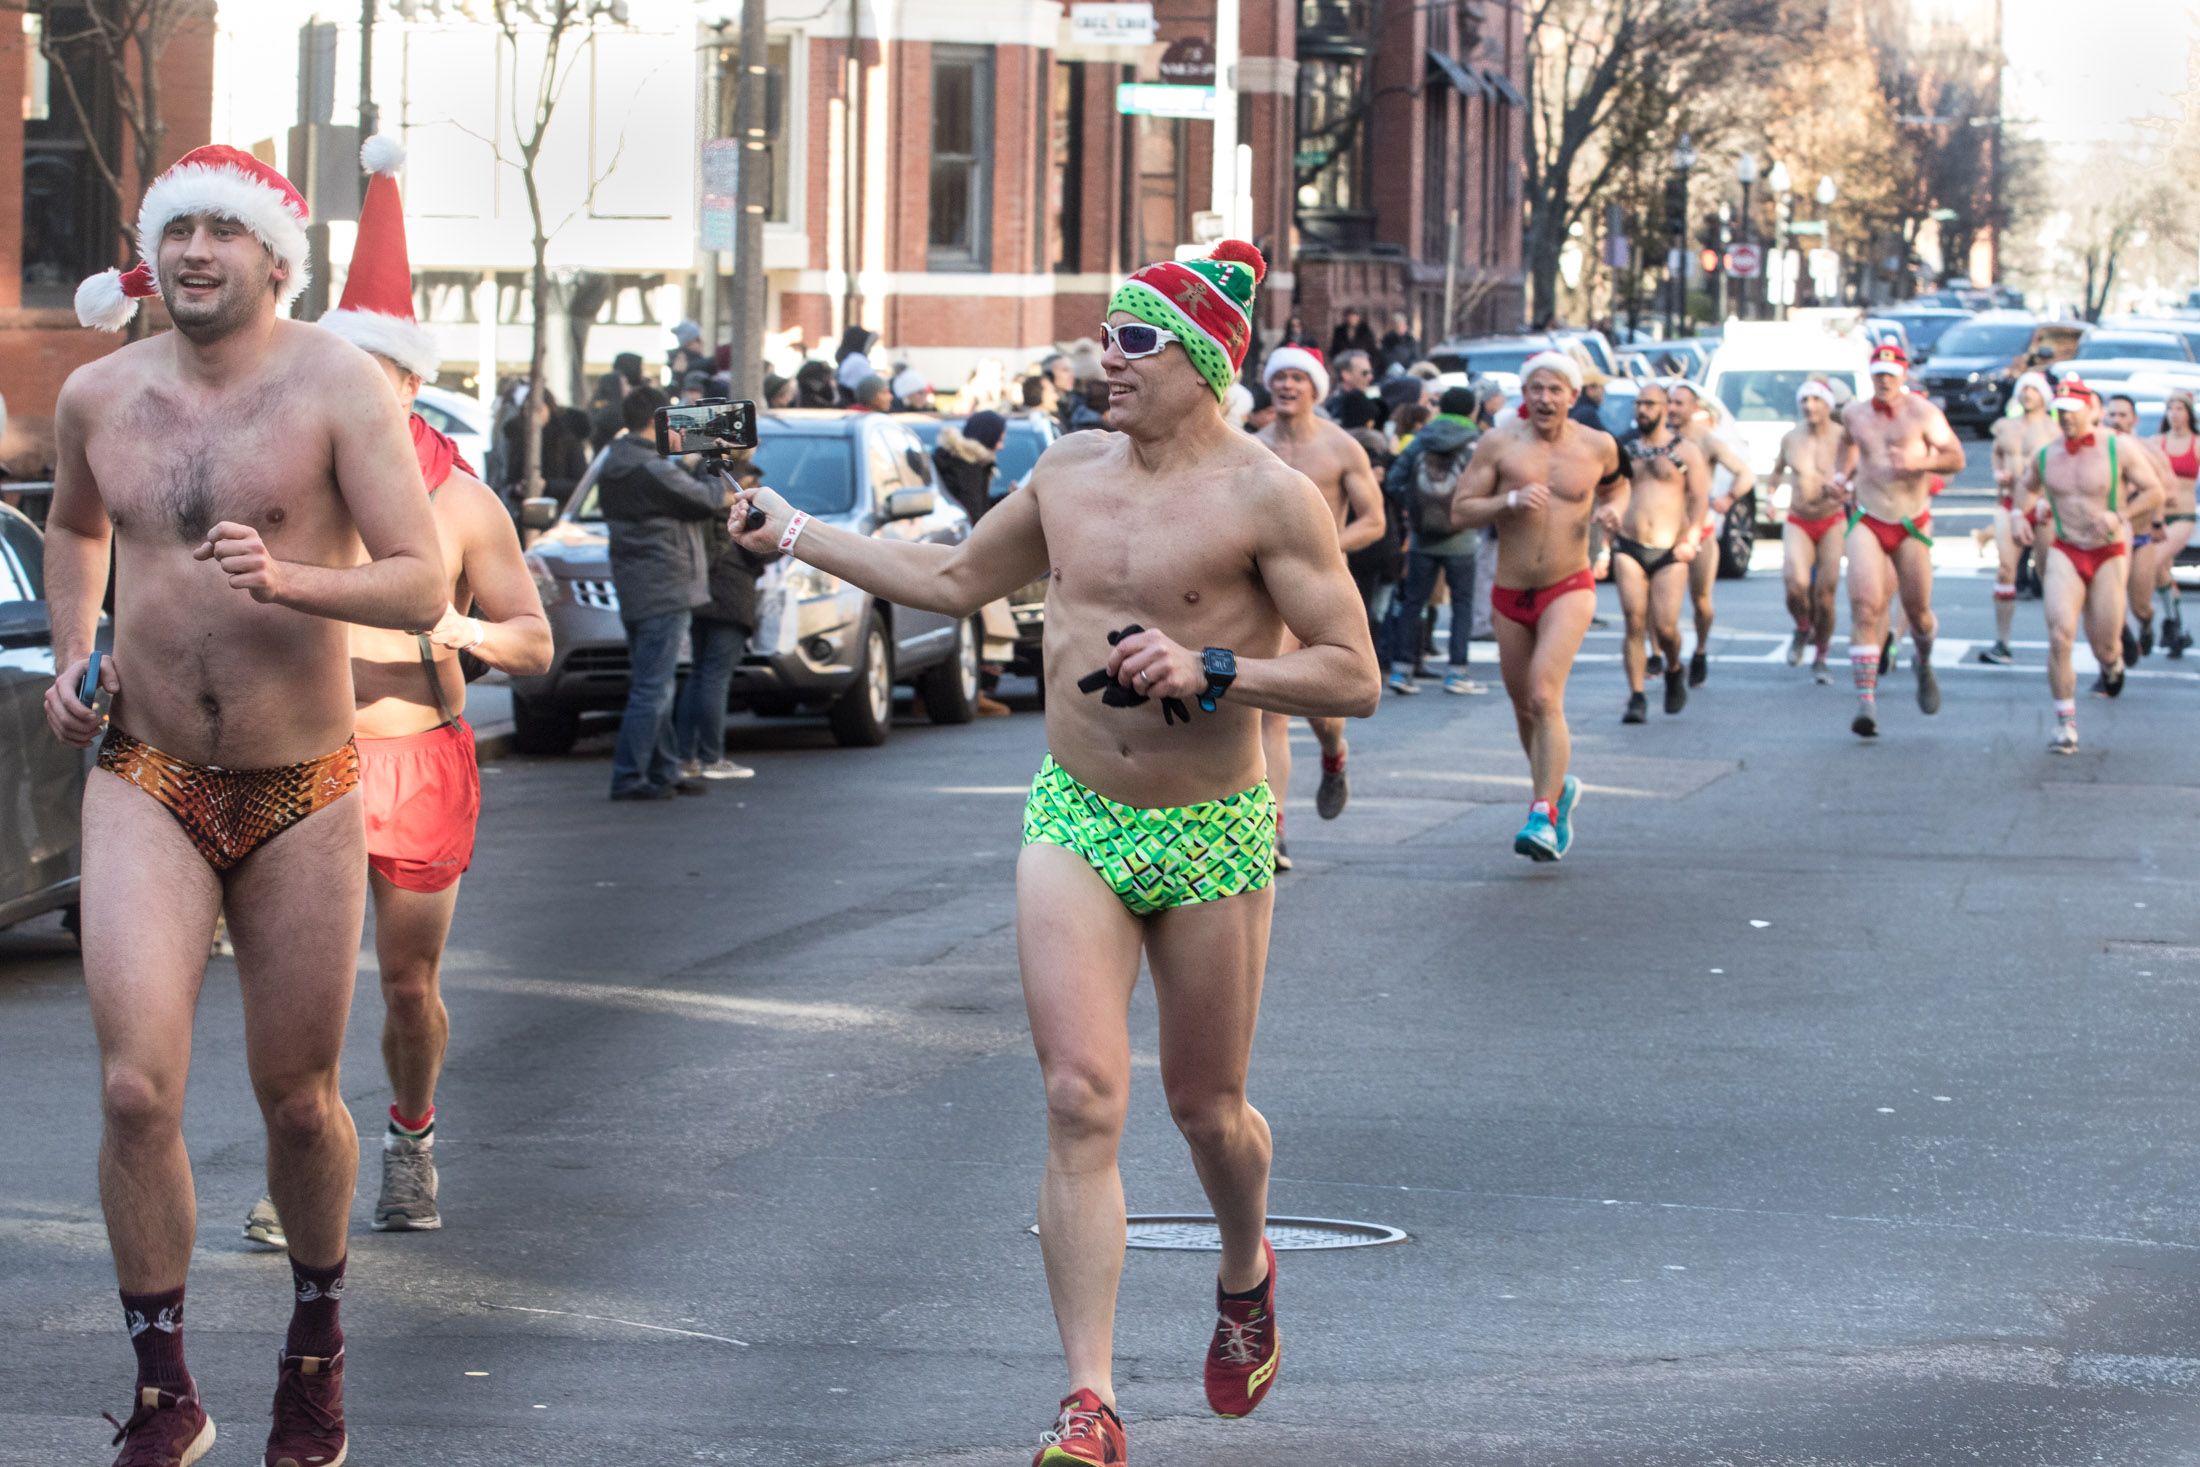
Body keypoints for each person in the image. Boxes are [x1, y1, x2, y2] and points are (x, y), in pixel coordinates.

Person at [723, 239, 1380, 1465]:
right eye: (1103, 336)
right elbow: (954, 577)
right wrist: (796, 529)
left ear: (1200, 363)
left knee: (1207, 1108)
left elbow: (1355, 677)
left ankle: (1245, 1268)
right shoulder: (1067, 471)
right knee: (1082, 1098)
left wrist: (1214, 666)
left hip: (1210, 828)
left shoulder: (1267, 496)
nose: (1102, 361)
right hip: (1075, 812)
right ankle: (1090, 1399)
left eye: (1131, 341)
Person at [49, 143, 447, 1467]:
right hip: (147, 771)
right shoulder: (99, 391)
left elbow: (417, 581)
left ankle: (315, 1355)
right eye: (178, 230)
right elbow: (74, 526)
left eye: (226, 230)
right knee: (129, 1086)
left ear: (276, 254)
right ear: (152, 250)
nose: (197, 251)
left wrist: (288, 580)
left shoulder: (337, 385)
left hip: (305, 783)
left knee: (296, 1098)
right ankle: (167, 1390)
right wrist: (69, 648)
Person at [237, 134, 553, 1250]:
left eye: (370, 378)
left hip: (424, 759)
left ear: (411, 383)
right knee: (306, 988)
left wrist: (454, 622)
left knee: (408, 990)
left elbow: (534, 645)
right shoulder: (298, 486)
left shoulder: (466, 508)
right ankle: (303, 1165)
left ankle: (412, 1135)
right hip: (315, 755)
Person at [1449, 351, 1626, 859]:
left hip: (1569, 585)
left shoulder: (1599, 446)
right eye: (1536, 389)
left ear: (1573, 396)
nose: (1545, 398)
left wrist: (1614, 511)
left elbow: (1620, 485)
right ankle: (1556, 790)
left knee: (1545, 695)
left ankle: (1543, 815)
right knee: (1524, 706)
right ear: (1524, 395)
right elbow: (1460, 510)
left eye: (1555, 390)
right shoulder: (1499, 443)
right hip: (1510, 594)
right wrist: (1508, 501)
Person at [1258, 342, 1385, 845]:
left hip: (1326, 591)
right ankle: (1272, 831)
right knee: (1272, 706)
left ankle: (1334, 753)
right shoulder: (1252, 446)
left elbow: (1374, 521)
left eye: (1298, 378)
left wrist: (1325, 547)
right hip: (1269, 595)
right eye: (1280, 377)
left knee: (1322, 711)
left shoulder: (1340, 447)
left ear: (1316, 388)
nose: (1287, 386)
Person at [2012, 378, 2165, 752]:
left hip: (2108, 550)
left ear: (2089, 410)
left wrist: (2120, 515)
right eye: (2059, 412)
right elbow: (2026, 486)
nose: (2064, 419)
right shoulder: (2047, 454)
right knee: (2060, 634)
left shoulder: (2118, 447)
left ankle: (2112, 665)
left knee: (2105, 646)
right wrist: (2020, 514)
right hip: (2067, 547)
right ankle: (2066, 725)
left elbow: (2155, 491)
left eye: (2071, 411)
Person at [597, 385, 729, 799]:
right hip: (666, 582)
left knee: (654, 682)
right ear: (658, 419)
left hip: (636, 583)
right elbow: (708, 500)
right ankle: (631, 776)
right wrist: (706, 462)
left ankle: (663, 771)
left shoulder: (614, 461)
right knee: (654, 687)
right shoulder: (652, 468)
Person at [1830, 343, 1966, 738]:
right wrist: (1840, 478)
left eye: (1891, 374)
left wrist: (1920, 463)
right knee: (1865, 605)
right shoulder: (1855, 413)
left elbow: (1956, 458)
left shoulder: (1924, 414)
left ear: (1904, 375)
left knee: (1918, 610)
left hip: (1911, 520)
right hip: (1867, 516)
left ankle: (1922, 662)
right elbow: (1847, 445)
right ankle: (1866, 702)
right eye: (1877, 374)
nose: (1884, 381)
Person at [1610, 380, 1709, 722]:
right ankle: (1636, 696)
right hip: (1629, 545)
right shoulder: (1624, 448)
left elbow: (1699, 498)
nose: (1642, 410)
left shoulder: (1685, 451)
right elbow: (1607, 491)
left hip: (1670, 550)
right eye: (1639, 403)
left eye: (1650, 404)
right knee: (1634, 621)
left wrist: (1691, 537)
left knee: (1666, 628)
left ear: (1665, 408)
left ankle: (1674, 668)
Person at [1381, 385, 1487, 696]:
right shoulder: (1476, 442)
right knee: (1463, 604)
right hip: (1463, 536)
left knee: (1413, 602)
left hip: (1421, 537)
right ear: (1472, 411)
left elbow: (1395, 478)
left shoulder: (1423, 437)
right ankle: (1457, 673)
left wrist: (1413, 510)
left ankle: (1402, 671)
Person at [675, 454, 767, 781]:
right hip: (731, 587)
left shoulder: (696, 481)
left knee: (700, 672)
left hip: (699, 585)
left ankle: (685, 757)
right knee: (715, 675)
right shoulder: (741, 485)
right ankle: (712, 757)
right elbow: (761, 542)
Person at [1666, 380, 1755, 686]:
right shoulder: (1656, 438)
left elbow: (1745, 473)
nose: (1673, 408)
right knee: (1660, 606)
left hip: (1700, 531)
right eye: (1670, 402)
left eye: (1680, 403)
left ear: (1694, 408)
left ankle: (1700, 651)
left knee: (1700, 601)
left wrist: (1728, 498)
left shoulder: (1707, 441)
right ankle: (1664, 658)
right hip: (1662, 534)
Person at [1771, 380, 1848, 682]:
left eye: (1816, 400)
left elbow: (1857, 473)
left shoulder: (1844, 437)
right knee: (1795, 583)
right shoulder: (1791, 438)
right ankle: (1803, 627)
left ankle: (1822, 656)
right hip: (1799, 518)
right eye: (1805, 400)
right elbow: (1776, 472)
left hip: (1832, 519)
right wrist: (1769, 498)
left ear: (1828, 404)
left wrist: (1847, 489)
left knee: (1825, 594)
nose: (1810, 406)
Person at [1981, 371, 2057, 664]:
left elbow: (2060, 466)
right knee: (2005, 570)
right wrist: (1998, 473)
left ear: (2043, 395)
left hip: (2041, 504)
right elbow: (1997, 453)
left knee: (2049, 574)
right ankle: (2002, 642)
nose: (2028, 395)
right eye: (2024, 389)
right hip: (2009, 500)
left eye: (2034, 390)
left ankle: (2057, 639)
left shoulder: (2054, 429)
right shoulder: (2005, 426)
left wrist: (2048, 500)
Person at [2145, 391, 2199, 658]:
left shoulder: (2196, 443)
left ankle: (2171, 624)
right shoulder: (2157, 441)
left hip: (2184, 516)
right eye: (2170, 408)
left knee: (2154, 562)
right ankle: (2177, 627)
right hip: (2158, 515)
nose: (2175, 414)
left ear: (2189, 412)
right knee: (2161, 572)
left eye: (2180, 408)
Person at [934, 409, 1005, 522]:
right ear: (988, 437)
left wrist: (1008, 497)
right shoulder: (967, 468)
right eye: (999, 440)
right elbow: (976, 515)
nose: (1001, 446)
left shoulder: (967, 462)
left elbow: (981, 506)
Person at [1321, 348, 1374, 422]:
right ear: (1346, 375)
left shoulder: (1371, 401)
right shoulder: (1334, 409)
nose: (1370, 377)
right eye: (1364, 373)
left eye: (1371, 372)